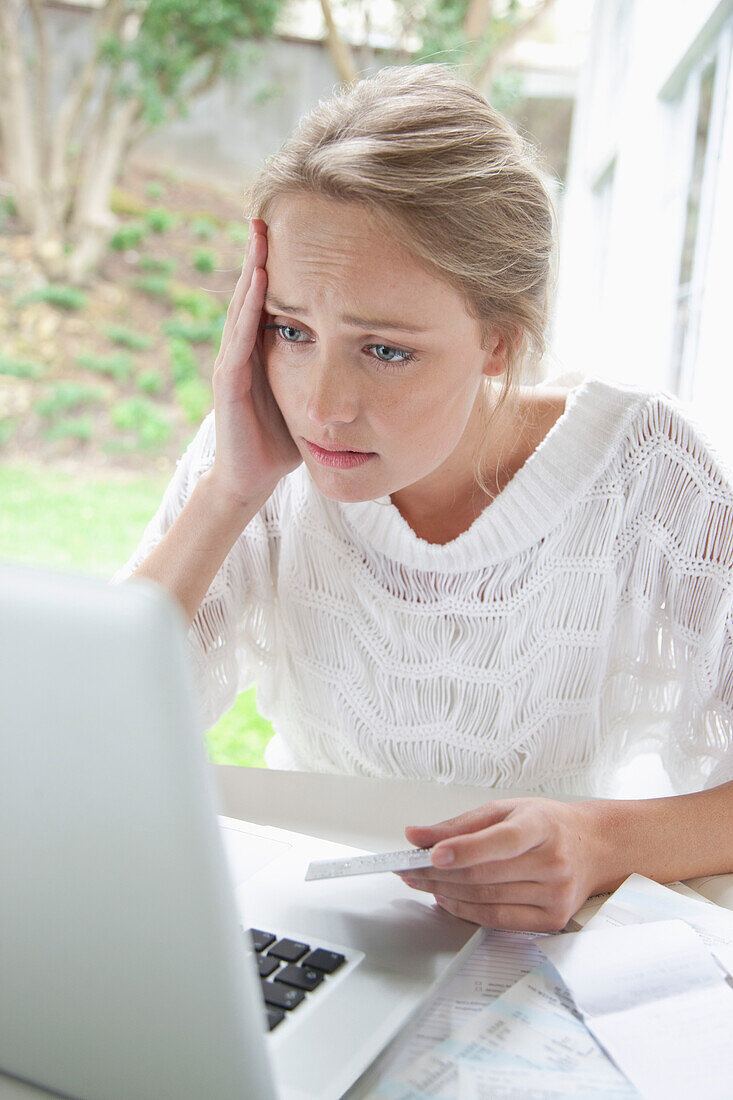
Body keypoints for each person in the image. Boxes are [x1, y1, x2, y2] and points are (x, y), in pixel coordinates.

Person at [114, 64, 733, 933]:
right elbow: (83, 727)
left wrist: (599, 841)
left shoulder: (648, 471)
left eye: (385, 350)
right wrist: (230, 490)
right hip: (309, 915)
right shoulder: (257, 449)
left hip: (541, 940)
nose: (321, 404)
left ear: (496, 342)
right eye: (291, 330)